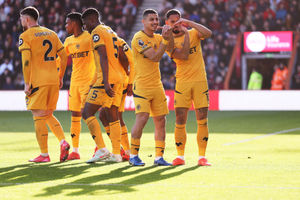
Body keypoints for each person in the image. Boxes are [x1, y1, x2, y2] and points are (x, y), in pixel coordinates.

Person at [18, 6, 70, 163]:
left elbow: (26, 61)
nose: (20, 21)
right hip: (53, 80)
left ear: (27, 19)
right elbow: (64, 55)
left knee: (38, 116)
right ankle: (63, 142)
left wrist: (27, 83)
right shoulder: (51, 33)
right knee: (47, 114)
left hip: (38, 82)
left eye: (21, 18)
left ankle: (44, 155)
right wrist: (60, 76)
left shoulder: (26, 36)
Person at [165, 9, 212, 166]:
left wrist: (190, 23)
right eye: (173, 22)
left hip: (200, 81)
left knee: (202, 120)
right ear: (167, 24)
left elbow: (208, 33)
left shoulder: (193, 32)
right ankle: (180, 156)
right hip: (182, 83)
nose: (176, 24)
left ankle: (202, 157)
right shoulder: (168, 41)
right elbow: (183, 55)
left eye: (178, 21)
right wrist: (185, 34)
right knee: (180, 120)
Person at [130, 9, 174, 166]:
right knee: (142, 119)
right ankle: (133, 155)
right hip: (142, 85)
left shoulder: (158, 37)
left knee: (161, 120)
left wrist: (170, 34)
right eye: (151, 20)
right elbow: (155, 57)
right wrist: (165, 40)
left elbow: (171, 50)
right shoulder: (138, 38)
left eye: (156, 19)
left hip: (157, 84)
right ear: (143, 22)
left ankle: (158, 157)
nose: (155, 22)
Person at [81, 8, 125, 163]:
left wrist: (106, 81)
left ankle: (101, 149)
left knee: (86, 112)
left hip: (107, 79)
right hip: (118, 77)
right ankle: (116, 154)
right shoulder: (110, 30)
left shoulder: (97, 32)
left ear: (92, 19)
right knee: (113, 115)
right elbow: (122, 53)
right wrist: (124, 73)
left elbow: (104, 57)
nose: (84, 27)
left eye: (85, 23)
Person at [63, 12, 96, 160]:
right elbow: (62, 60)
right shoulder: (68, 41)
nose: (65, 26)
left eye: (67, 23)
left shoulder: (89, 37)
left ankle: (99, 147)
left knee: (88, 114)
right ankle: (75, 151)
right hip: (74, 83)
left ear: (75, 23)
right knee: (75, 115)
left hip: (88, 82)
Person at [99, 37, 135, 161]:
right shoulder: (115, 40)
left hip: (117, 81)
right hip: (116, 81)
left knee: (114, 115)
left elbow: (128, 59)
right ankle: (121, 149)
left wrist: (130, 81)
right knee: (104, 115)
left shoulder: (113, 41)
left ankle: (126, 151)